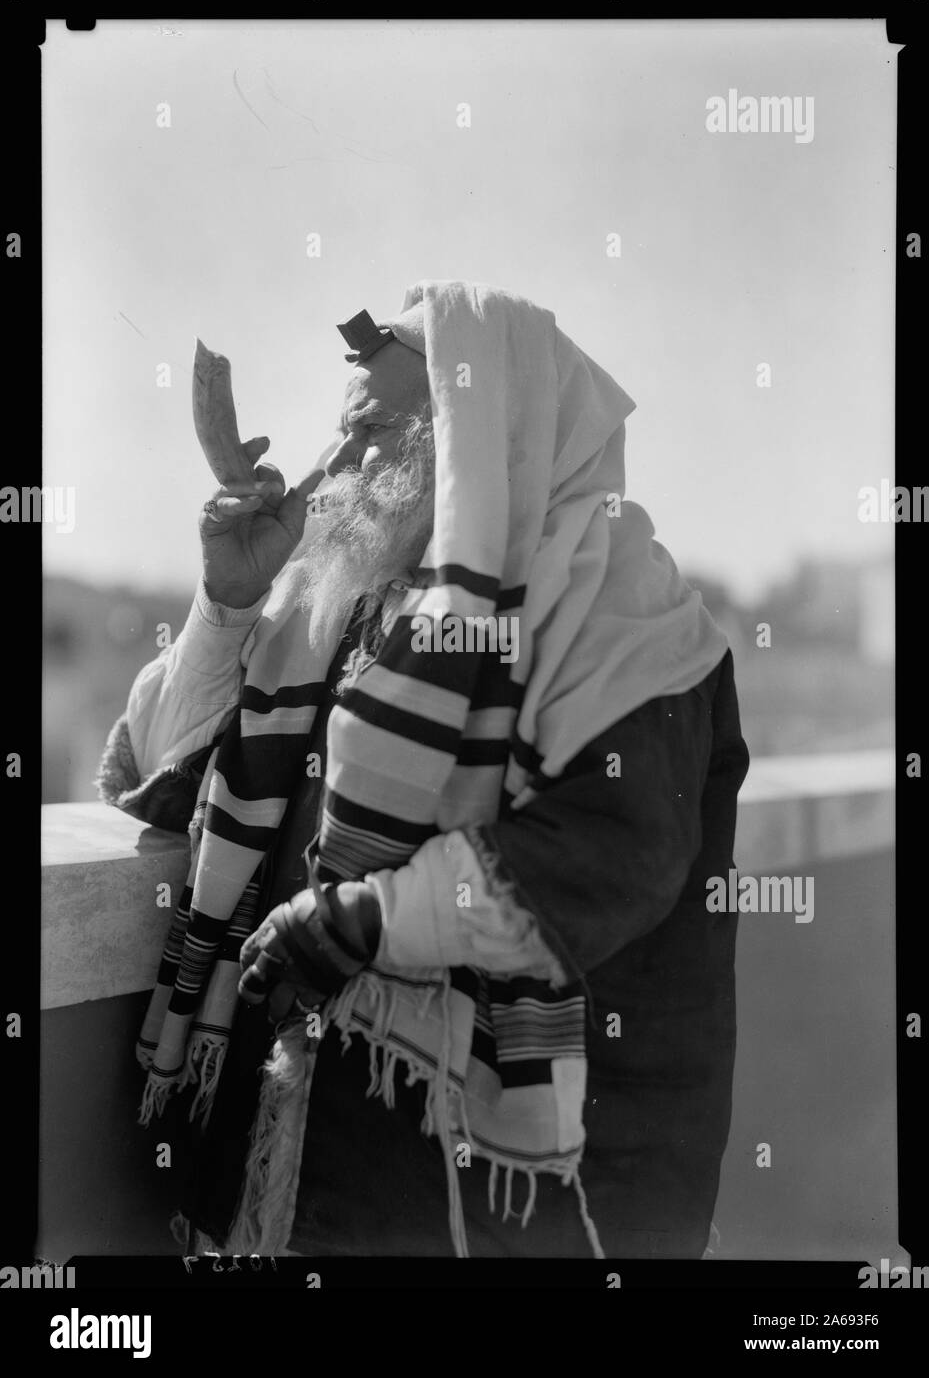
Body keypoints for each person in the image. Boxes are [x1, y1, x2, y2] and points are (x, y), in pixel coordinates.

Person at [96, 280, 749, 1259]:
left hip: (513, 1204)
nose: (333, 471)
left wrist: (370, 918)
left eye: (371, 438)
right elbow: (161, 770)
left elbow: (615, 855)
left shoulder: (622, 618)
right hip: (308, 1169)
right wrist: (228, 604)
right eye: (341, 436)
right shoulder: (341, 608)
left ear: (478, 445)